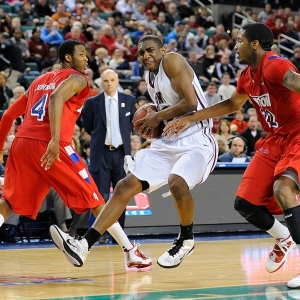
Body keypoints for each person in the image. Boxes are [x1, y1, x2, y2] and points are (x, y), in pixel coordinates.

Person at [49, 35, 218, 269]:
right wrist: (153, 118)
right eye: (141, 53)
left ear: (163, 50)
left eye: (150, 50)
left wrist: (156, 116)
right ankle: (84, 245)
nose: (145, 55)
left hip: (196, 138)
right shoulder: (149, 77)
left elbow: (189, 103)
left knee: (177, 183)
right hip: (169, 139)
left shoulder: (172, 61)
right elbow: (165, 110)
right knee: (123, 187)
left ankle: (186, 239)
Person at [162, 23, 300, 287]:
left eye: (239, 41)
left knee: (283, 189)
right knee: (245, 204)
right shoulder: (248, 75)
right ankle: (284, 238)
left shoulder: (275, 66)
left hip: (297, 135)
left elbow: (296, 83)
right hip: (275, 139)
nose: (235, 46)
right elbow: (232, 104)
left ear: (255, 44)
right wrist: (191, 118)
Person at [0, 40, 151, 268]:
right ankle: (130, 251)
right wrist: (53, 139)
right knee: (95, 198)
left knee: (9, 202)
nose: (86, 58)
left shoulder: (38, 81)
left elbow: (7, 116)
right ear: (68, 58)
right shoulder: (78, 79)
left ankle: (129, 251)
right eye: (81, 54)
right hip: (52, 144)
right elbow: (56, 98)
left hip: (22, 144)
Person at [81, 69, 136, 232]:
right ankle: (98, 233)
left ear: (117, 81)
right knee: (101, 197)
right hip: (102, 153)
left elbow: (132, 125)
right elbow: (88, 127)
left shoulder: (130, 100)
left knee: (122, 196)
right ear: (101, 82)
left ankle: (119, 235)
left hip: (122, 154)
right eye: (106, 81)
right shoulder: (92, 103)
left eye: (112, 80)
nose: (109, 83)